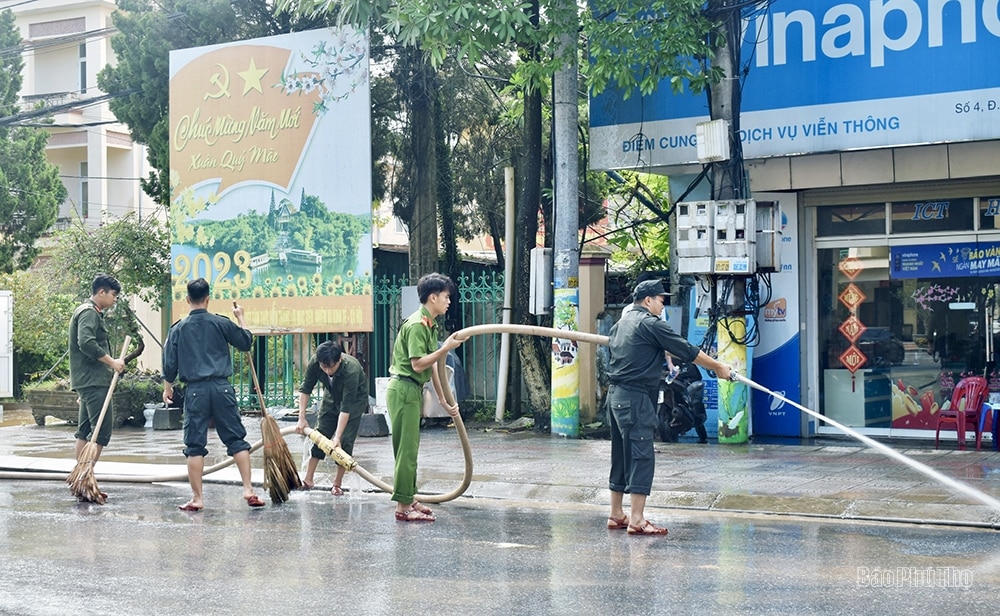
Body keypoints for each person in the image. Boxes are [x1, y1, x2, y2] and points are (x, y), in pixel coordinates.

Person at [606, 279, 734, 535]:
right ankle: (638, 519)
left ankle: (616, 513)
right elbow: (686, 349)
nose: (663, 305)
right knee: (642, 456)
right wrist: (719, 367)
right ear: (648, 300)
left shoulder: (622, 324)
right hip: (635, 398)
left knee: (621, 454)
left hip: (615, 397)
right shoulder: (650, 324)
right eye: (661, 300)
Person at [162, 278, 263, 511]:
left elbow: (169, 365)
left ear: (187, 300)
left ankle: (197, 498)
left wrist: (168, 388)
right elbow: (246, 342)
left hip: (195, 391)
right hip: (222, 388)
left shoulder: (178, 328)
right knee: (236, 439)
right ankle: (248, 488)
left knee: (194, 445)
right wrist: (240, 318)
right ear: (208, 299)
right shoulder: (221, 323)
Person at [386, 273, 463, 522]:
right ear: (433, 297)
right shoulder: (418, 324)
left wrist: (443, 399)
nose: (448, 301)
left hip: (411, 390)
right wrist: (446, 347)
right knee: (406, 451)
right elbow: (418, 364)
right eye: (445, 296)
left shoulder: (429, 324)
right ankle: (402, 508)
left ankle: (408, 498)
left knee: (410, 449)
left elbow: (434, 367)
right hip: (404, 389)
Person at [295, 340, 369, 495]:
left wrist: (338, 437)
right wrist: (301, 417)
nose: (327, 371)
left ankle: (337, 483)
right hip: (331, 395)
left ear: (339, 360)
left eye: (331, 367)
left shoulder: (352, 370)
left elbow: (346, 408)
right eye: (324, 367)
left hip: (354, 401)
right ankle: (308, 479)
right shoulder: (316, 362)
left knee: (345, 442)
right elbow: (306, 388)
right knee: (319, 434)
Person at [69, 273, 126, 475]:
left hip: (88, 381)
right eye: (113, 294)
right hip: (94, 381)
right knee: (100, 431)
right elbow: (85, 342)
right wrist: (112, 362)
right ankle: (85, 477)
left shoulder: (88, 311)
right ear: (101, 292)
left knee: (84, 431)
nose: (115, 299)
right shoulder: (89, 313)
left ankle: (81, 478)